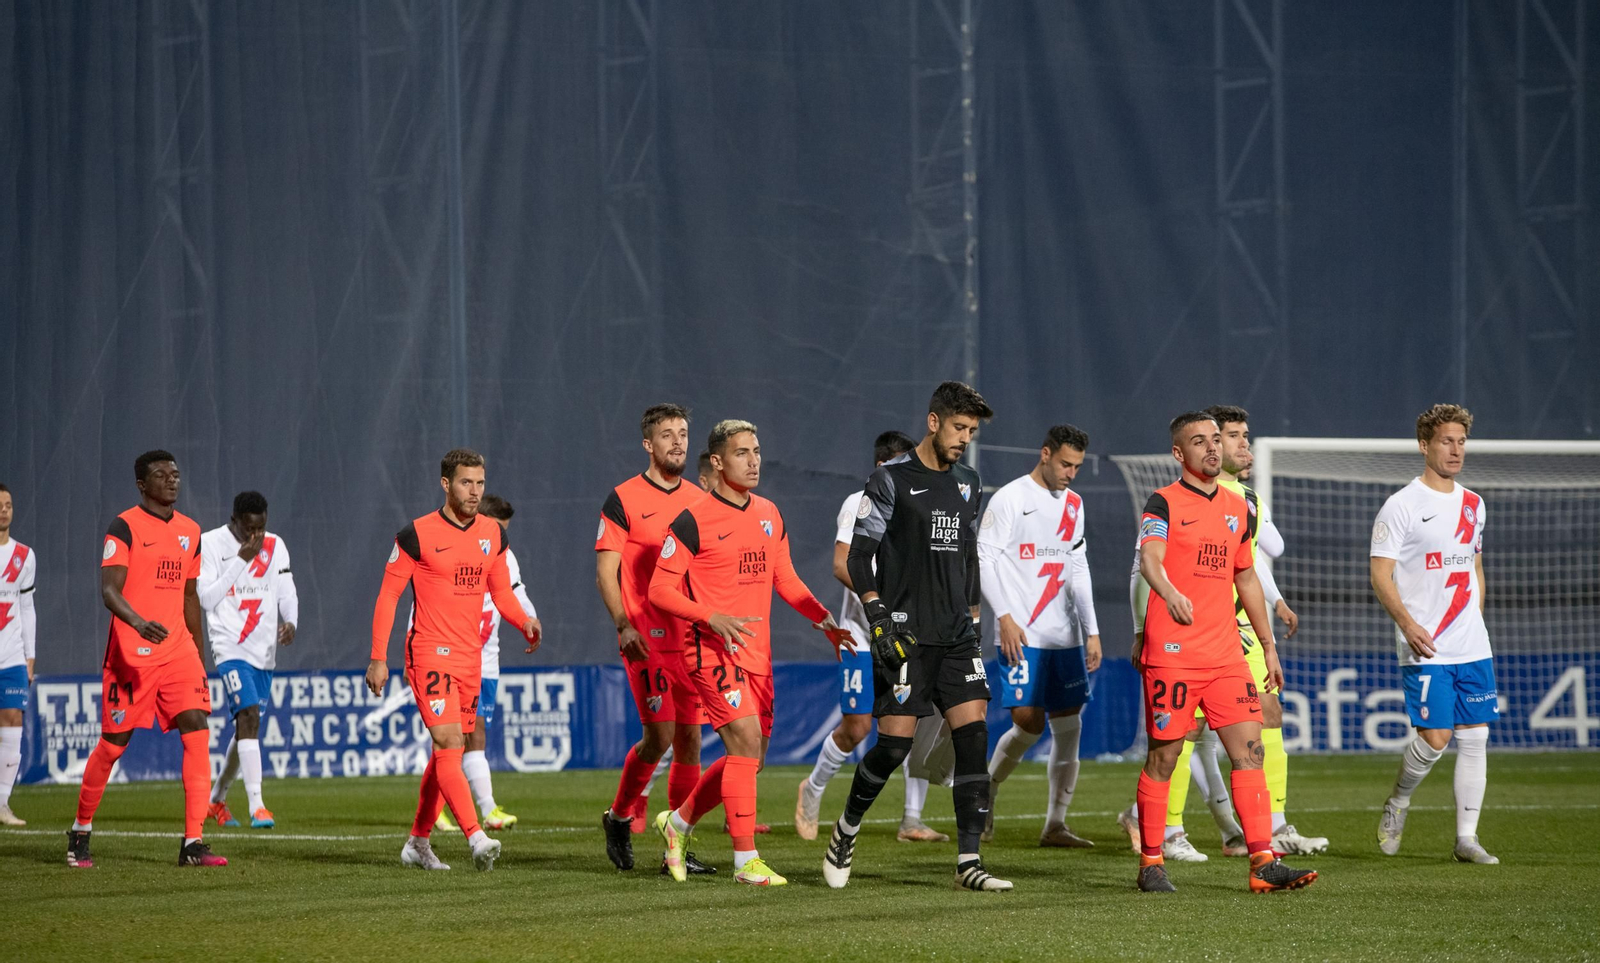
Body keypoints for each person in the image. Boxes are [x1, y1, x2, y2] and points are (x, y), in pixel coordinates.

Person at [821, 381, 1012, 892]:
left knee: (973, 736)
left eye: (971, 431)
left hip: (956, 637)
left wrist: (973, 620)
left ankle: (968, 862)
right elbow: (858, 557)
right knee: (893, 747)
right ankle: (846, 829)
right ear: (933, 422)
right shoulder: (890, 481)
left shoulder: (969, 482)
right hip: (904, 636)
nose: (964, 439)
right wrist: (877, 614)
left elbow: (967, 557)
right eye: (958, 428)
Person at [649, 419, 852, 886]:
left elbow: (786, 579)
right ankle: (746, 862)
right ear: (718, 462)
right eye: (742, 452)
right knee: (742, 741)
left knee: (751, 758)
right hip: (709, 649)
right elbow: (659, 589)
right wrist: (709, 616)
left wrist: (823, 619)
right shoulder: (692, 520)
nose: (754, 460)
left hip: (757, 655)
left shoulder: (769, 513)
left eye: (757, 450)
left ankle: (676, 824)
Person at [1130, 412, 1316, 894]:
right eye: (1200, 441)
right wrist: (1168, 592)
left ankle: (1262, 863)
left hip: (1228, 656)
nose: (1212, 448)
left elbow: (1246, 575)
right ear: (1179, 453)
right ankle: (1152, 862)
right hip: (1172, 654)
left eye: (1216, 439)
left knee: (1249, 753)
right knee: (1165, 758)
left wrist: (1269, 646)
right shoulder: (1163, 503)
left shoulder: (1239, 508)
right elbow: (1149, 558)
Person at [368, 448, 541, 872]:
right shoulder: (417, 534)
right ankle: (476, 836)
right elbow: (388, 595)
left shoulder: (493, 535)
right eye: (466, 482)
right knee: (449, 743)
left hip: (471, 658)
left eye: (480, 483)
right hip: (428, 651)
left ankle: (418, 843)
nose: (474, 491)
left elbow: (500, 594)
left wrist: (524, 621)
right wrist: (378, 657)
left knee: (448, 751)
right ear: (446, 484)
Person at [69, 450, 226, 868]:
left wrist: (197, 647)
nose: (172, 480)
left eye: (175, 474)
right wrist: (139, 623)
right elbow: (109, 591)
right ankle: (81, 829)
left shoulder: (190, 531)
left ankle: (193, 843)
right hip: (131, 653)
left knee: (197, 727)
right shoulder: (123, 526)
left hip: (178, 650)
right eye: (162, 475)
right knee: (113, 745)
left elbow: (189, 594)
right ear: (142, 484)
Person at [796, 430, 948, 844]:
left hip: (908, 634)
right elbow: (842, 564)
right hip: (862, 636)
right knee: (858, 727)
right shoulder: (858, 502)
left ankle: (911, 819)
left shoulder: (919, 501)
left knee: (913, 721)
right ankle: (811, 790)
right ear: (883, 466)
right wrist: (883, 599)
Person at [1371, 404, 1499, 865]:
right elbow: (1380, 574)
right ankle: (1399, 800)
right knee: (1436, 737)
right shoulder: (1401, 505)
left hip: (1471, 642)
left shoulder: (1474, 504)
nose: (1455, 449)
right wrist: (1407, 624)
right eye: (1447, 440)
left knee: (1475, 737)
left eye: (1461, 441)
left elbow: (1475, 566)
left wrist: (1476, 621)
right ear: (1424, 445)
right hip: (1424, 642)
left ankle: (1467, 838)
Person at [596, 404, 714, 874]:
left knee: (691, 741)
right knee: (659, 737)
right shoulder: (623, 498)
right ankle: (620, 815)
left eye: (683, 434)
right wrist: (623, 624)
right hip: (645, 637)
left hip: (691, 638)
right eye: (667, 435)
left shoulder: (700, 499)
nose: (678, 443)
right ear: (649, 444)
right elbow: (606, 569)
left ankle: (677, 849)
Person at [979, 424, 1100, 849]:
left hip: (1064, 635)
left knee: (1069, 726)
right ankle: (988, 790)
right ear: (1045, 453)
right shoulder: (1010, 498)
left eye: (1078, 467)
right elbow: (985, 557)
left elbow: (1078, 567)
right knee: (1027, 725)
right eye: (1065, 463)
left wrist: (1092, 630)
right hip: (1023, 634)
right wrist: (1004, 617)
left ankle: (1055, 824)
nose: (1071, 473)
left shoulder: (1075, 504)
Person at [433, 494, 536, 833]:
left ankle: (453, 810)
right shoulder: (452, 550)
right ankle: (480, 810)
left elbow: (516, 594)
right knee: (458, 736)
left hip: (486, 661)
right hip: (448, 655)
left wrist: (529, 621)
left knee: (473, 736)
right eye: (499, 531)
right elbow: (424, 601)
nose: (503, 540)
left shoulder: (506, 557)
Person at [201, 491, 298, 830]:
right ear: (235, 520)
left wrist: (291, 621)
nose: (255, 536)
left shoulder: (276, 545)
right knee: (249, 716)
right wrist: (242, 559)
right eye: (248, 528)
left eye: (261, 528)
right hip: (229, 647)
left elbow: (287, 589)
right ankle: (258, 805)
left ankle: (215, 800)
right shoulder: (211, 544)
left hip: (264, 652)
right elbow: (207, 598)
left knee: (246, 728)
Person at [0, 484, 37, 826]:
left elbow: (27, 607)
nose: (4, 510)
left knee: (12, 719)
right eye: (0, 505)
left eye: (9, 504)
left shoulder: (24, 556)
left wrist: (30, 655)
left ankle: (2, 803)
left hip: (11, 655)